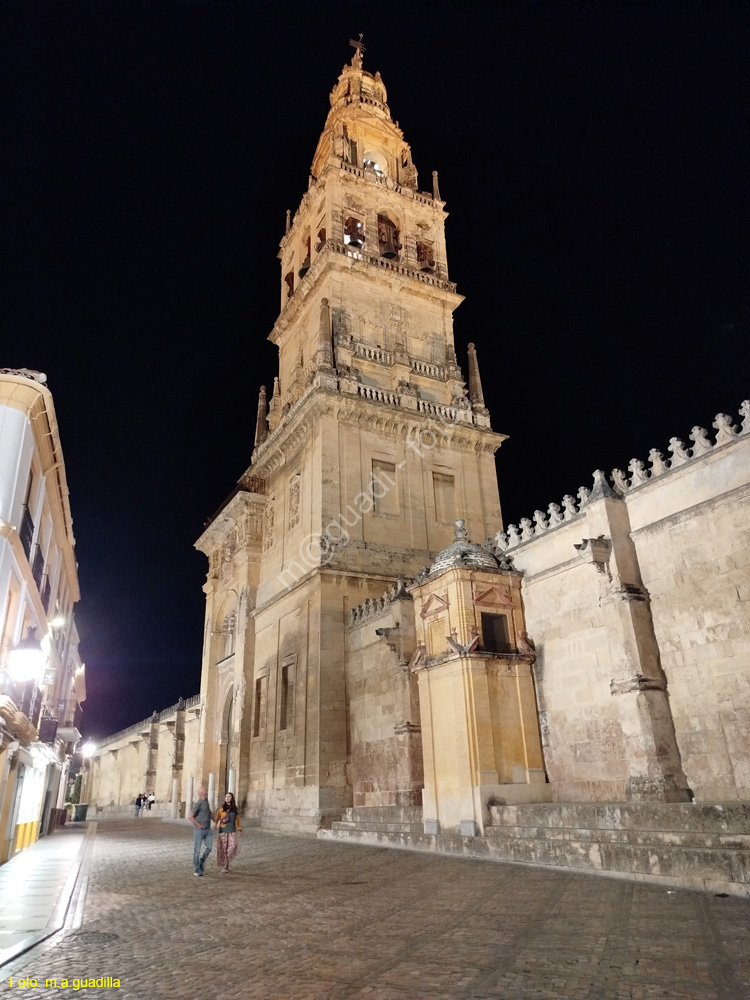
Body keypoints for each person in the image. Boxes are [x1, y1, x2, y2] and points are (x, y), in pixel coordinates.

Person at [214, 792, 241, 873]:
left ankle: (226, 863)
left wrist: (239, 829)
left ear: (232, 798)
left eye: (229, 796)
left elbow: (237, 819)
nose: (227, 798)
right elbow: (217, 817)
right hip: (223, 830)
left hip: (232, 830)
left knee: (232, 846)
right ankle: (225, 866)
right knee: (223, 848)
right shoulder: (221, 808)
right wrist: (215, 825)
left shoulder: (234, 809)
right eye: (226, 796)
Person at [189, 786, 213, 876]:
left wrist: (215, 821)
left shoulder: (206, 801)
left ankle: (201, 862)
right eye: (205, 791)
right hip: (199, 831)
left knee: (209, 847)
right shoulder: (198, 803)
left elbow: (209, 812)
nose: (206, 792)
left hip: (207, 830)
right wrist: (198, 825)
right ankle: (197, 869)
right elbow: (190, 816)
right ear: (201, 793)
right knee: (197, 851)